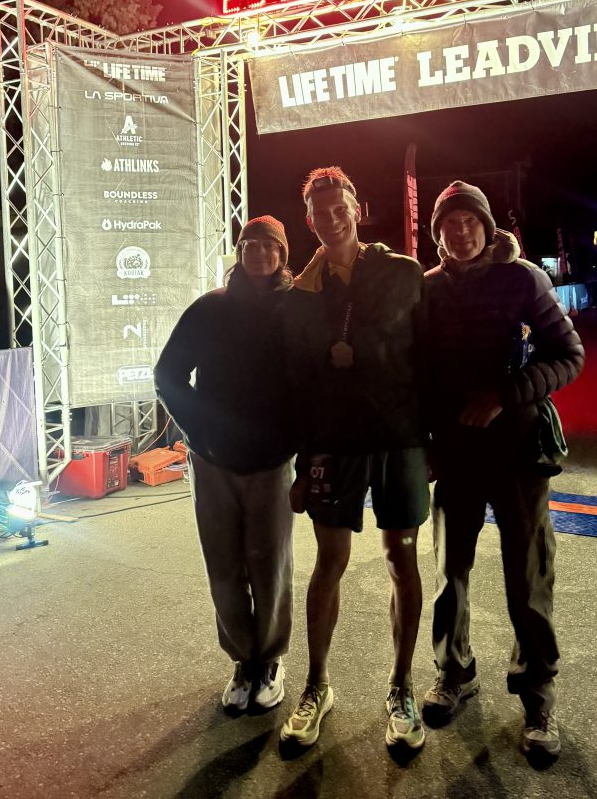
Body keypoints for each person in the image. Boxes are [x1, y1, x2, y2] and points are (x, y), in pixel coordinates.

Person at [419, 180, 585, 762]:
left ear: (486, 227)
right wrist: (424, 442)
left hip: (518, 453)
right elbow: (418, 374)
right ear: (437, 234)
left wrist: (505, 394)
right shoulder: (427, 289)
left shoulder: (523, 279)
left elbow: (569, 355)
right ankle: (454, 672)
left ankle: (538, 695)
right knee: (450, 572)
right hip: (455, 453)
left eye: (470, 221)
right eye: (449, 224)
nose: (460, 231)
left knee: (528, 576)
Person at [279, 166, 429, 751]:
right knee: (330, 561)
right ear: (308, 221)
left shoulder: (402, 272)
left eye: (340, 208)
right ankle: (316, 685)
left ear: (357, 210)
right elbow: (298, 385)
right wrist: (303, 463)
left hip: (399, 437)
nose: (332, 219)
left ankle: (401, 687)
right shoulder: (301, 295)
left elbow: (427, 356)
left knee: (402, 557)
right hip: (333, 443)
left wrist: (432, 439)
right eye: (321, 212)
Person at [154, 216, 295, 713]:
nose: (259, 252)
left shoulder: (295, 307)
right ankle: (242, 660)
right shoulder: (210, 308)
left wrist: (295, 437)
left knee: (270, 564)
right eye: (249, 244)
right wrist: (200, 432)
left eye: (269, 245)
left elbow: (311, 379)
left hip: (272, 462)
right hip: (213, 461)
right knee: (224, 564)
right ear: (239, 251)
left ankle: (270, 659)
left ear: (282, 253)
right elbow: (168, 373)